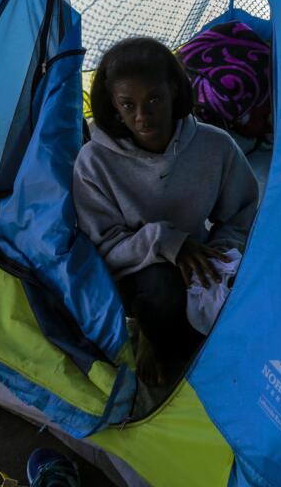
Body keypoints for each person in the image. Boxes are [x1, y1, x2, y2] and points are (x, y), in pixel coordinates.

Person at [72, 36, 260, 382]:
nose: (142, 117)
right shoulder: (94, 162)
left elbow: (244, 212)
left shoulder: (214, 145)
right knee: (164, 299)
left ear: (174, 90)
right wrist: (167, 243)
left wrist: (219, 254)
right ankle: (152, 336)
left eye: (154, 99)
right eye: (128, 105)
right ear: (114, 106)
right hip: (134, 273)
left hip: (201, 258)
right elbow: (102, 247)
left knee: (258, 291)